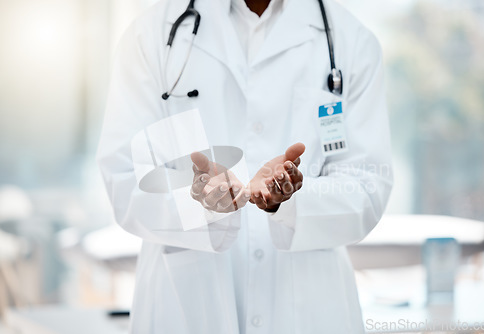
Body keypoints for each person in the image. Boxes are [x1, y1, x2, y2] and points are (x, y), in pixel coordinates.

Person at [97, 0, 393, 332]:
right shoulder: (150, 35)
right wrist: (198, 204)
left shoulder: (351, 41)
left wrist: (294, 201)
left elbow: (367, 186)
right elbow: (124, 177)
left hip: (310, 308)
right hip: (185, 305)